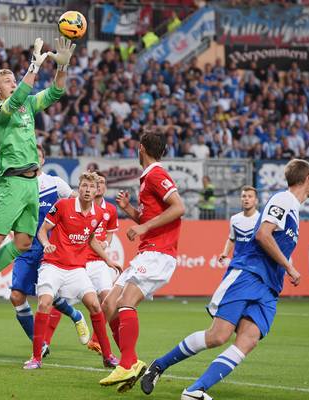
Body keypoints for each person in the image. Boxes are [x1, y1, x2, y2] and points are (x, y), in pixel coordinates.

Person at [140, 159, 309, 400]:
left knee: (249, 340)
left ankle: (194, 391)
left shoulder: (293, 208)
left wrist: (286, 266)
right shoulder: (283, 199)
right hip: (249, 275)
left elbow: (275, 242)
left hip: (269, 286)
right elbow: (263, 234)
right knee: (218, 336)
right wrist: (289, 268)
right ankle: (158, 365)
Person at [0, 37, 76, 321]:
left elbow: (56, 93)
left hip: (32, 183)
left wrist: (62, 66)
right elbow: (18, 97)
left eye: (13, 78)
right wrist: (33, 66)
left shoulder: (27, 106)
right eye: (7, 81)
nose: (12, 82)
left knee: (22, 243)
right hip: (11, 182)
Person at [99, 128, 185, 392]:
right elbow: (150, 219)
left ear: (141, 149)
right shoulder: (147, 178)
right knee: (108, 304)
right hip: (148, 250)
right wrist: (130, 211)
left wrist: (144, 229)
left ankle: (126, 363)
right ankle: (131, 362)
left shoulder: (157, 174)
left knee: (125, 302)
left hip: (159, 252)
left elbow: (179, 207)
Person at [24, 171, 121, 370]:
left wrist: (108, 260)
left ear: (96, 191)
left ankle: (108, 356)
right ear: (79, 187)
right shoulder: (63, 205)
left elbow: (92, 240)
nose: (87, 190)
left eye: (91, 187)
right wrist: (45, 244)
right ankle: (36, 358)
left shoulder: (98, 214)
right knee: (44, 303)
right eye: (84, 186)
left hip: (76, 269)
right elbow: (42, 230)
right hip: (53, 264)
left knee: (95, 305)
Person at [10, 145, 87, 355]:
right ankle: (41, 343)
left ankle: (74, 315)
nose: (34, 160)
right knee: (17, 296)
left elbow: (78, 205)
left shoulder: (55, 184)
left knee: (47, 296)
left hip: (48, 249)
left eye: (38, 156)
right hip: (25, 248)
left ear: (43, 160)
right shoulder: (17, 187)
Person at [218, 186, 259, 267]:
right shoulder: (234, 219)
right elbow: (232, 239)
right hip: (237, 263)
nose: (246, 199)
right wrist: (225, 253)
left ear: (256, 201)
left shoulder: (261, 220)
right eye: (244, 196)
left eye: (250, 196)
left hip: (254, 265)